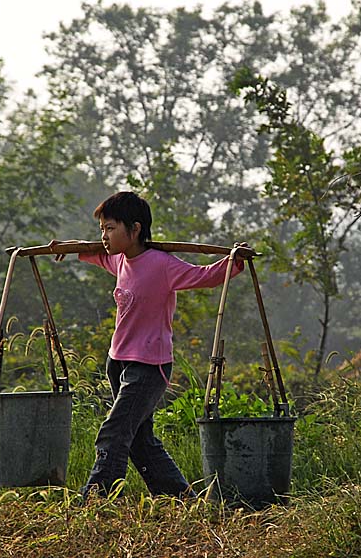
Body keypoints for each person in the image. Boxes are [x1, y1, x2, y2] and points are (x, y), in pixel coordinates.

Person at [50, 191, 244, 499]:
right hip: (118, 361)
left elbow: (203, 276)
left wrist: (234, 261)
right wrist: (68, 248)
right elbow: (97, 254)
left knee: (114, 433)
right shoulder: (120, 260)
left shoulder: (162, 265)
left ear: (135, 228)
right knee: (139, 439)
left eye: (110, 228)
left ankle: (97, 499)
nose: (104, 236)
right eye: (102, 229)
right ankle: (178, 498)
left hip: (149, 366)